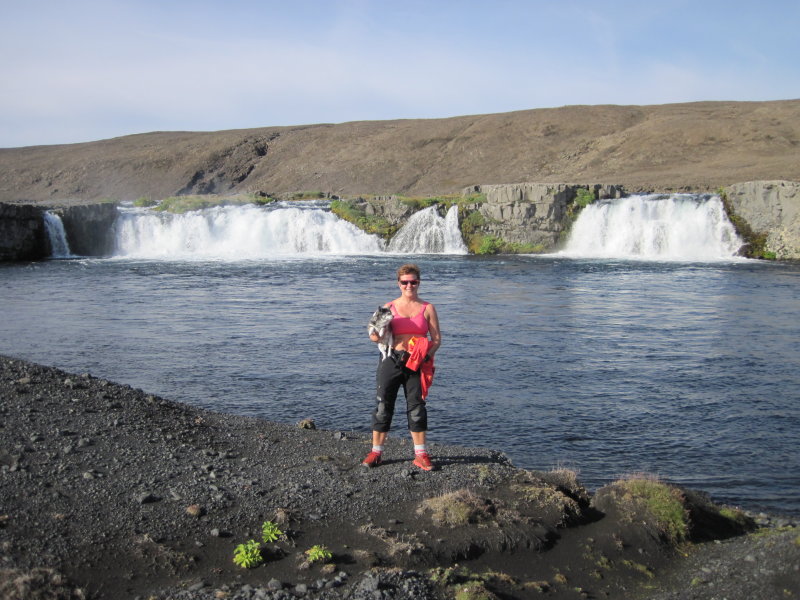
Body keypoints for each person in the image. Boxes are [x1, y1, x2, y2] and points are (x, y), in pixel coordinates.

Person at [363, 263, 441, 471]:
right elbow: (373, 333)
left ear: (418, 283)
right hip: (391, 358)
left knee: (417, 407)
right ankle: (376, 453)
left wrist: (426, 356)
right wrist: (375, 335)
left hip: (417, 362)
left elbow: (436, 339)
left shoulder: (428, 308)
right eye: (405, 282)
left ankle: (421, 454)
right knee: (383, 406)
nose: (409, 285)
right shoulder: (387, 307)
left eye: (413, 282)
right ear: (398, 284)